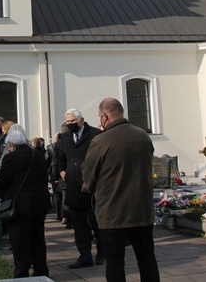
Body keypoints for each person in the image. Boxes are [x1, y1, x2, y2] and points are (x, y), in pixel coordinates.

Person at [82, 97, 160, 282]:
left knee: (115, 263)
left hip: (113, 212)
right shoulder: (143, 135)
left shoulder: (100, 141)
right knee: (147, 260)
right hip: (142, 210)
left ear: (104, 117)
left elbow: (87, 175)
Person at [0, 131, 50, 278]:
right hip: (40, 203)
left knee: (20, 242)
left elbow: (2, 181)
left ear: (12, 145)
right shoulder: (38, 155)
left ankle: (21, 274)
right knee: (38, 239)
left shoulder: (11, 158)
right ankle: (41, 271)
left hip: (20, 206)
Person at [57, 108, 103, 268]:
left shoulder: (95, 134)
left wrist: (90, 180)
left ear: (81, 121)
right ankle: (84, 256)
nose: (70, 124)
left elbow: (99, 160)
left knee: (96, 222)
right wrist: (61, 170)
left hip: (92, 188)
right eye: (68, 122)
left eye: (72, 121)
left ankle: (102, 253)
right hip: (73, 186)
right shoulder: (66, 137)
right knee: (78, 224)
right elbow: (60, 157)